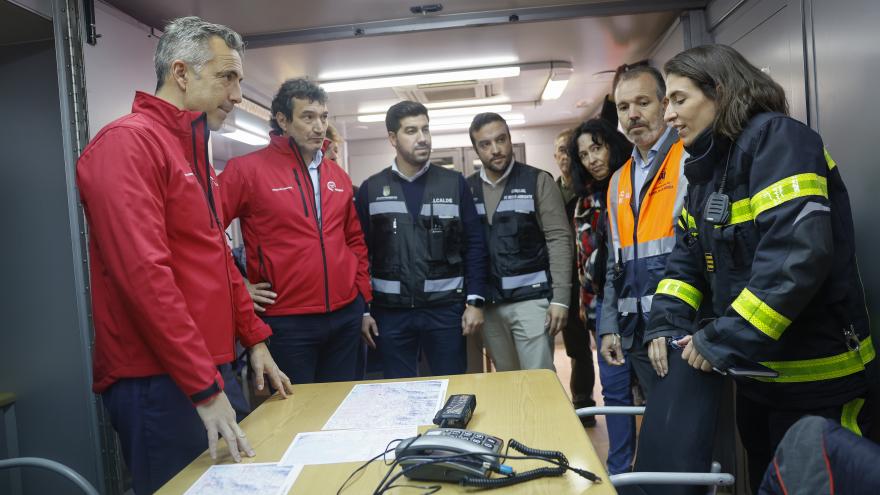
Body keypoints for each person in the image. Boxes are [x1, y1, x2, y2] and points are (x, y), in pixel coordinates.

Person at [76, 17, 291, 493]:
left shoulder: (190, 151)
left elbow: (218, 255)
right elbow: (145, 278)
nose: (237, 95)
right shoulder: (127, 144)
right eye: (226, 77)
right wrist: (203, 387)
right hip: (158, 380)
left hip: (207, 368)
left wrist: (254, 339)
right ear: (181, 73)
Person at [648, 44, 874, 492]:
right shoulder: (708, 169)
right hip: (756, 379)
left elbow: (797, 258)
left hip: (818, 379)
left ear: (721, 91)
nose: (668, 115)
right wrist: (666, 322)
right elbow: (688, 260)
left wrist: (720, 338)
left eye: (679, 99)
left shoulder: (780, 140)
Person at [219, 78, 373, 385]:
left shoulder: (337, 175)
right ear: (283, 120)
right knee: (294, 414)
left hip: (344, 315)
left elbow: (354, 239)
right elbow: (205, 232)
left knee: (342, 405)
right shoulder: (246, 171)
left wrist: (360, 296)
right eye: (308, 117)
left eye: (323, 117)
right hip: (287, 321)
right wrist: (239, 285)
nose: (319, 127)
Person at [355, 101, 487, 378]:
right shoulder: (372, 189)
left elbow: (475, 244)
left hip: (445, 310)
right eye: (411, 131)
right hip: (390, 314)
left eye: (426, 129)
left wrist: (474, 302)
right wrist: (362, 310)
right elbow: (358, 254)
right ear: (393, 138)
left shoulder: (454, 183)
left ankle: (448, 425)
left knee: (451, 385)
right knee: (398, 391)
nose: (422, 138)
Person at [597, 63, 689, 402]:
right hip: (636, 333)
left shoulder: (686, 157)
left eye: (643, 103)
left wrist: (670, 323)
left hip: (680, 330)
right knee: (658, 428)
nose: (633, 114)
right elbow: (614, 262)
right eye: (624, 107)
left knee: (688, 433)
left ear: (665, 105)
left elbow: (694, 254)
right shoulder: (618, 179)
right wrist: (608, 326)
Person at [464, 112, 572, 373]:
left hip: (531, 302)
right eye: (485, 144)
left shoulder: (537, 181)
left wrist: (561, 299)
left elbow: (559, 239)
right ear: (476, 149)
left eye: (501, 140)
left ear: (510, 139)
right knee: (507, 381)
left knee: (538, 379)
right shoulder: (466, 189)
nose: (496, 149)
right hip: (488, 307)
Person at [568, 118, 636, 472]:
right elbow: (583, 258)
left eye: (597, 147)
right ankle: (619, 469)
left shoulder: (630, 183)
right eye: (584, 154)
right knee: (614, 391)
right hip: (598, 310)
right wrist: (584, 303)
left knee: (648, 396)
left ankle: (655, 469)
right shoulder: (583, 200)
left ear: (612, 144)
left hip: (636, 305)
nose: (592, 158)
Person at [553, 127, 598, 424]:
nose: (564, 157)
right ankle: (581, 402)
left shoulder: (591, 189)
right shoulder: (551, 191)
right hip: (566, 281)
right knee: (577, 347)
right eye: (560, 151)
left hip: (594, 277)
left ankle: (591, 401)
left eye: (570, 150)